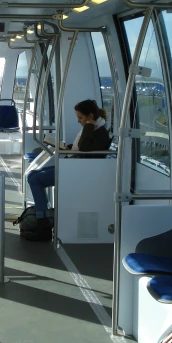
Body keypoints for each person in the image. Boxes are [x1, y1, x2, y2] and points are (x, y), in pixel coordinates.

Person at [24, 100, 111, 241]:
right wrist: (68, 147)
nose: (79, 121)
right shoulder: (95, 128)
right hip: (74, 165)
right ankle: (44, 214)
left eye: (81, 118)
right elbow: (83, 147)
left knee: (35, 179)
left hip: (79, 171)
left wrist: (88, 125)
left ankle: (43, 221)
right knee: (32, 174)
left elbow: (84, 148)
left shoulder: (99, 132)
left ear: (90, 116)